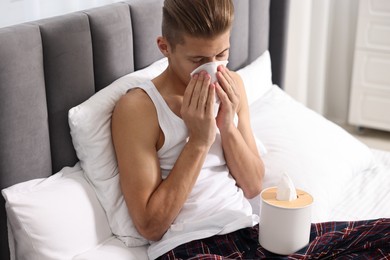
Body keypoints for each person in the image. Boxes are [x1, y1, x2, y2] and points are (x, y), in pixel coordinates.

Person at [112, 0, 390, 259]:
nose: (213, 69)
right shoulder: (139, 108)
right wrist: (198, 141)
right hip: (191, 246)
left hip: (252, 233)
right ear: (165, 47)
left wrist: (227, 125)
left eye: (221, 54)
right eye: (197, 60)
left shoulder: (233, 86)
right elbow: (150, 225)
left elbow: (253, 185)